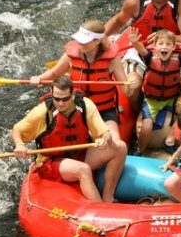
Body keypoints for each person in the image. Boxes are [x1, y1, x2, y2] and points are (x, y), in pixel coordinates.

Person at [12, 75, 127, 203]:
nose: (60, 103)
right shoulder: (42, 112)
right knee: (83, 169)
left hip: (79, 154)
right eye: (57, 99)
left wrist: (105, 140)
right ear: (52, 94)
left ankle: (107, 198)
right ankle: (101, 210)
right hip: (51, 161)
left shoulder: (85, 105)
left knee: (120, 147)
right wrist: (19, 145)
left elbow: (106, 133)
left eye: (65, 99)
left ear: (72, 95)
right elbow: (17, 130)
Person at [28, 19, 140, 148]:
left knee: (116, 143)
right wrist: (38, 78)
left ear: (97, 41)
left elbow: (125, 90)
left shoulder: (112, 60)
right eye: (79, 39)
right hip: (76, 109)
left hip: (103, 111)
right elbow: (53, 74)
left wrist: (131, 87)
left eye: (84, 41)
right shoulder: (71, 55)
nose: (80, 43)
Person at [128, 27, 181, 154]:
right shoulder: (149, 57)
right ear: (155, 47)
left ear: (173, 48)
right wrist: (135, 42)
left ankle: (172, 142)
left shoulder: (177, 60)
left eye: (168, 44)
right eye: (161, 44)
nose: (164, 47)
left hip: (172, 99)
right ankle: (140, 150)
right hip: (151, 100)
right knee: (146, 126)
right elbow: (141, 49)